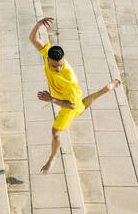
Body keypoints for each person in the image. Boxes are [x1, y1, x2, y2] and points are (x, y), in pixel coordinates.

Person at [29, 17, 121, 173]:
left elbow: (70, 105)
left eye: (61, 65)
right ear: (48, 58)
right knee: (82, 107)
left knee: (56, 132)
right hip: (74, 96)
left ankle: (51, 160)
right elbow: (33, 39)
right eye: (54, 65)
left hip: (68, 99)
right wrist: (38, 24)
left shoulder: (70, 79)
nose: (58, 68)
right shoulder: (47, 54)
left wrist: (51, 99)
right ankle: (105, 90)